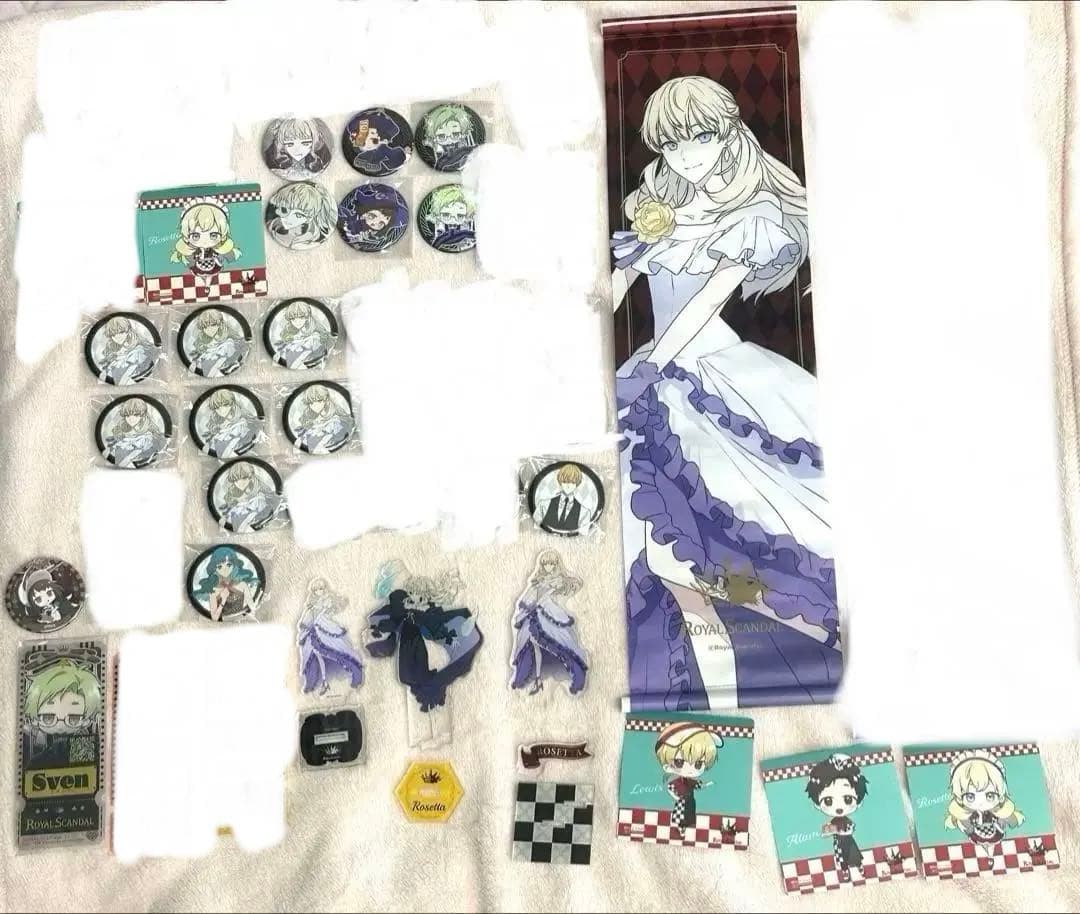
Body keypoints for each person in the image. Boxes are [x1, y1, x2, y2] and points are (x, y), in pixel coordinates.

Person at [612, 75, 839, 710]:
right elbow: (618, 282)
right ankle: (716, 686)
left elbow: (705, 303)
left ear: (729, 132)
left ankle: (799, 630)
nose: (686, 156)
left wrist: (652, 366)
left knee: (728, 540)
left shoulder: (755, 215)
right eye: (672, 144)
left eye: (700, 138)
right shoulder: (661, 209)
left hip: (711, 372)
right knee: (662, 554)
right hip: (652, 369)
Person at [509, 550, 587, 695]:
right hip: (535, 613)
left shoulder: (559, 580)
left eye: (552, 564)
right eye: (545, 564)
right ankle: (535, 678)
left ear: (556, 565)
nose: (548, 567)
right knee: (533, 646)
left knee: (560, 642)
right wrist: (527, 605)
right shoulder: (537, 581)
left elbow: (576, 584)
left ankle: (572, 676)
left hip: (550, 612)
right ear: (542, 565)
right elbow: (527, 598)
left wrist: (562, 585)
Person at [23, 659, 101, 767]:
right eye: (48, 718)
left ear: (86, 721)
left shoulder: (84, 745)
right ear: (35, 720)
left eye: (73, 719)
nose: (60, 726)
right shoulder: (37, 760)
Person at [945, 751, 1024, 851]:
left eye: (990, 796)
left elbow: (1012, 822)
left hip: (997, 837)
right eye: (970, 797)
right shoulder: (964, 816)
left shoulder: (999, 812)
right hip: (975, 839)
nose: (980, 803)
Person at [806, 754, 868, 878]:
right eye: (828, 801)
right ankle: (845, 871)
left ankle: (860, 867)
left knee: (854, 856)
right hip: (839, 843)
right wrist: (829, 830)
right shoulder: (833, 821)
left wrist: (843, 831)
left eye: (848, 799)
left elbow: (851, 828)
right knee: (842, 859)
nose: (839, 807)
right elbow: (826, 832)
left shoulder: (846, 820)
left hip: (849, 842)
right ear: (817, 804)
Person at [297, 579, 363, 695]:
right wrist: (304, 629)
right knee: (313, 658)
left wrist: (330, 607)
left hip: (326, 631)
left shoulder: (328, 600)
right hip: (313, 634)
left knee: (338, 652)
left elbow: (340, 605)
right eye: (316, 590)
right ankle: (315, 683)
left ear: (325, 589)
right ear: (313, 591)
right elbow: (305, 621)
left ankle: (354, 676)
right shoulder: (311, 605)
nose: (319, 591)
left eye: (321, 589)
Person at [654, 721, 723, 831]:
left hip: (690, 802)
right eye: (679, 762)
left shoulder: (690, 781)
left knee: (689, 816)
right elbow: (670, 788)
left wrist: (707, 784)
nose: (689, 770)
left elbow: (698, 786)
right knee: (681, 816)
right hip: (682, 802)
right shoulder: (678, 781)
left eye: (698, 764)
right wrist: (677, 798)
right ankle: (681, 827)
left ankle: (685, 828)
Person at [534, 463, 589, 534]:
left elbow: (583, 535)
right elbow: (535, 528)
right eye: (565, 482)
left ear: (577, 483)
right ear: (560, 481)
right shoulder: (544, 504)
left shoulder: (584, 512)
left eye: (572, 482)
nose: (568, 485)